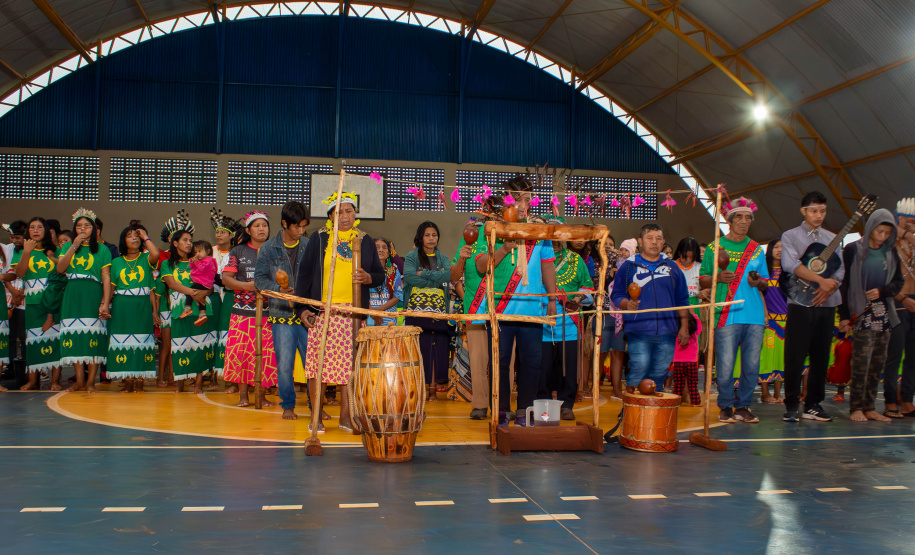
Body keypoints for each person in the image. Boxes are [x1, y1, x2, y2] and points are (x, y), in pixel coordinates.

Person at [294, 192, 384, 432]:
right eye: (339, 211)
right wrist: (302, 308)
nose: (345, 216)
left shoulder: (364, 240)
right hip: (322, 311)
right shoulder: (320, 238)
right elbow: (303, 275)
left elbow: (379, 274)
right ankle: (316, 418)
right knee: (317, 366)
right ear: (331, 216)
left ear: (355, 214)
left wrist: (368, 277)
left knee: (350, 368)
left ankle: (346, 416)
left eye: (349, 211)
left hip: (352, 313)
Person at [474, 177, 559, 427]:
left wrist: (552, 299)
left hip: (532, 307)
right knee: (499, 363)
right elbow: (481, 265)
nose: (522, 204)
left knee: (532, 361)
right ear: (505, 199)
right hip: (500, 307)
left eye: (526, 198)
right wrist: (503, 248)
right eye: (516, 198)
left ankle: (524, 411)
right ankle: (500, 412)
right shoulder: (491, 228)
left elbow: (548, 265)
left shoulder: (540, 231)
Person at [699, 197, 768, 423]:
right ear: (729, 220)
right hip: (726, 312)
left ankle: (744, 405)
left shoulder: (756, 249)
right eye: (739, 216)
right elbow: (703, 281)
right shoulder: (714, 247)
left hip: (755, 314)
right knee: (726, 365)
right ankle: (726, 406)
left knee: (751, 365)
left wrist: (758, 282)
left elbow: (766, 283)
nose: (744, 221)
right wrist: (717, 278)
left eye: (748, 218)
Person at [781, 191, 844, 423]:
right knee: (795, 356)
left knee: (821, 356)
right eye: (814, 210)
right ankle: (790, 404)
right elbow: (790, 265)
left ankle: (814, 404)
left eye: (823, 211)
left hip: (827, 303)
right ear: (804, 211)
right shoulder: (791, 236)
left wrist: (829, 288)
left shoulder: (832, 238)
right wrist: (821, 281)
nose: (819, 215)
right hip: (799, 303)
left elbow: (840, 270)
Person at [838, 208, 904, 423]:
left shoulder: (890, 252)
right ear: (869, 228)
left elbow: (898, 283)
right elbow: (844, 283)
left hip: (884, 315)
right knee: (861, 363)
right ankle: (855, 407)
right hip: (860, 315)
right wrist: (845, 315)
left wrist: (882, 292)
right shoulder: (852, 249)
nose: (882, 237)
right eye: (879, 231)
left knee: (877, 363)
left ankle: (870, 406)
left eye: (886, 233)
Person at [611, 224, 690, 392]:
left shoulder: (672, 268)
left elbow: (682, 300)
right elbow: (616, 294)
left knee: (659, 373)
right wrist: (627, 304)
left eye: (658, 238)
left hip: (668, 331)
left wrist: (683, 327)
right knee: (639, 368)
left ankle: (654, 415)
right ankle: (630, 413)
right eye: (649, 238)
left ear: (663, 242)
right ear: (640, 242)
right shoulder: (628, 267)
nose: (654, 242)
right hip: (638, 330)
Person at [254, 201, 310, 420]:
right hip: (281, 315)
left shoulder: (308, 245)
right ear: (285, 223)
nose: (300, 231)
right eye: (296, 226)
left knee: (313, 365)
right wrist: (279, 290)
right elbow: (259, 279)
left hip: (308, 313)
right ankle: (288, 405)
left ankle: (316, 406)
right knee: (285, 364)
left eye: (304, 226)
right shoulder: (269, 248)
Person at [538, 218, 594, 420]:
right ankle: (542, 402)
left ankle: (566, 403)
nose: (554, 238)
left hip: (569, 322)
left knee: (568, 366)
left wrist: (578, 298)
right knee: (542, 367)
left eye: (558, 233)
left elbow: (589, 289)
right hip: (541, 320)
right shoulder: (534, 257)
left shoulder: (576, 260)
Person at [223, 212, 277, 408]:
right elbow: (226, 278)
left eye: (264, 225)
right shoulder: (238, 251)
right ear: (248, 230)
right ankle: (243, 395)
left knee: (266, 354)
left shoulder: (275, 250)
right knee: (241, 354)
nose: (262, 228)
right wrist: (248, 287)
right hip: (242, 313)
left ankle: (261, 396)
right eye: (257, 226)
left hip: (269, 313)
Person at [56, 208, 113, 392]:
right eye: (79, 226)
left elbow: (106, 277)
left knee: (93, 336)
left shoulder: (103, 249)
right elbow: (60, 269)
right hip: (73, 294)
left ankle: (90, 381)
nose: (83, 229)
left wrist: (105, 301)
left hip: (93, 292)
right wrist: (73, 246)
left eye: (87, 226)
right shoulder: (67, 247)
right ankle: (79, 380)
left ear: (94, 229)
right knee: (76, 337)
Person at [160, 212, 216, 394]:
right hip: (179, 309)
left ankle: (199, 383)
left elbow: (211, 285)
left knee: (200, 345)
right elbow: (172, 284)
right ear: (175, 243)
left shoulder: (201, 262)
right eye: (185, 240)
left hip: (200, 307)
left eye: (190, 240)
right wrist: (194, 292)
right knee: (180, 346)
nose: (189, 243)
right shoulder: (167, 264)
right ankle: (180, 384)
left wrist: (203, 292)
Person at [106, 221, 160, 393]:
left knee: (142, 342)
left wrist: (146, 236)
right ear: (123, 240)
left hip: (142, 305)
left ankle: (140, 381)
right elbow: (112, 287)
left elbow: (156, 253)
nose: (134, 239)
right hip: (122, 306)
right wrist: (105, 305)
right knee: (124, 342)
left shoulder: (145, 259)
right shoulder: (116, 262)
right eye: (130, 236)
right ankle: (128, 380)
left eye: (136, 236)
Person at [404, 221, 452, 402]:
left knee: (437, 350)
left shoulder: (444, 258)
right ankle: (418, 390)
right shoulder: (411, 256)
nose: (431, 238)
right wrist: (435, 277)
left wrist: (421, 274)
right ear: (421, 237)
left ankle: (432, 391)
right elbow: (409, 276)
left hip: (439, 311)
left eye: (434, 235)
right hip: (416, 311)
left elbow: (447, 276)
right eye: (427, 235)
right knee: (418, 349)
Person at [13, 218, 59, 390]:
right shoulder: (21, 251)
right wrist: (26, 252)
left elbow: (61, 273)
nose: (36, 230)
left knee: (55, 340)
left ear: (46, 230)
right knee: (32, 340)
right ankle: (32, 380)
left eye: (40, 227)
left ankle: (55, 380)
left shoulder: (55, 250)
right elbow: (20, 273)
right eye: (32, 227)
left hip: (52, 301)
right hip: (32, 303)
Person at [451, 220, 489, 419]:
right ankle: (481, 404)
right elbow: (454, 276)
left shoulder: (508, 235)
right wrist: (461, 260)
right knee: (477, 358)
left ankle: (503, 404)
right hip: (475, 306)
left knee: (505, 358)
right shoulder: (472, 234)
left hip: (503, 304)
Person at [884, 198, 915, 418]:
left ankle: (906, 400)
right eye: (907, 220)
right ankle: (889, 401)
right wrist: (903, 232)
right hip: (897, 301)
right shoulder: (889, 240)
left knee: (913, 356)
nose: (911, 224)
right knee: (894, 354)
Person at [210, 208, 241, 389]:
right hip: (213, 296)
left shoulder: (237, 252)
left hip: (231, 296)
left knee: (229, 335)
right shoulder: (210, 251)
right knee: (214, 335)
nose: (219, 235)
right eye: (217, 232)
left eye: (223, 232)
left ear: (231, 236)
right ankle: (214, 375)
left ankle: (232, 377)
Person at [759, 238, 787, 403]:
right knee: (766, 357)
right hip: (769, 320)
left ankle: (777, 393)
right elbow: (760, 293)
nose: (780, 250)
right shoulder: (764, 271)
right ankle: (765, 393)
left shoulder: (789, 271)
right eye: (776, 247)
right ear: (769, 250)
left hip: (786, 320)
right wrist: (764, 314)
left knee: (781, 358)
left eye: (783, 247)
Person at [4, 221, 27, 384]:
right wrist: (12, 291)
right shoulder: (6, 249)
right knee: (9, 336)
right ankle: (10, 366)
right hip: (8, 296)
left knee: (23, 336)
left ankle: (26, 368)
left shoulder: (31, 250)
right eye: (12, 237)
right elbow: (5, 273)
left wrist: (20, 295)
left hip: (25, 298)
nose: (14, 241)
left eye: (17, 237)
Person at [181, 240, 217, 326]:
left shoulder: (209, 260)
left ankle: (187, 308)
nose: (197, 254)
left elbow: (202, 269)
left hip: (204, 283)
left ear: (208, 251)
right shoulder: (201, 260)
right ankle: (202, 314)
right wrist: (192, 261)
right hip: (202, 283)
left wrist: (196, 261)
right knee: (201, 298)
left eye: (199, 251)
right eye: (195, 252)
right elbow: (193, 267)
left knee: (190, 291)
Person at [368, 237, 402, 326]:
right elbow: (360, 294)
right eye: (377, 247)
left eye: (384, 247)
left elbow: (397, 296)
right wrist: (372, 312)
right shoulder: (365, 271)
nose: (381, 250)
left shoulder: (394, 271)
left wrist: (379, 310)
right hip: (368, 319)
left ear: (388, 252)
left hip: (389, 321)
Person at [670, 311, 702, 406]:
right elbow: (699, 325)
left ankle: (676, 402)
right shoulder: (695, 333)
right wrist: (694, 314)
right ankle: (695, 402)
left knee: (678, 384)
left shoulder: (676, 333)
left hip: (678, 362)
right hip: (691, 362)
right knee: (693, 384)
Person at [673, 237, 702, 306]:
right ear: (679, 253)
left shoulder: (700, 267)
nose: (689, 260)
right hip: (676, 304)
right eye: (686, 257)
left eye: (692, 257)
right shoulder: (671, 266)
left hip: (695, 304)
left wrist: (705, 292)